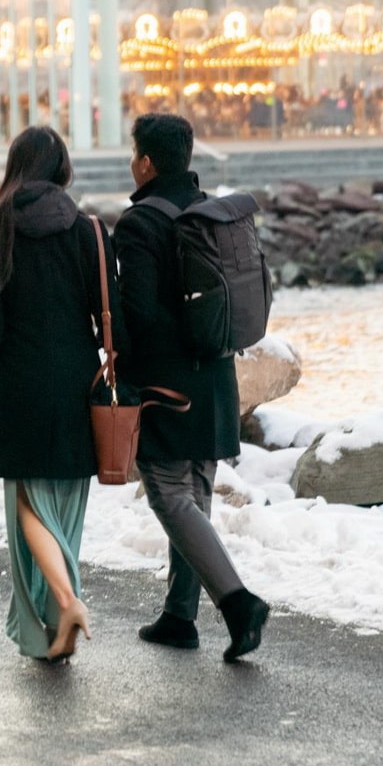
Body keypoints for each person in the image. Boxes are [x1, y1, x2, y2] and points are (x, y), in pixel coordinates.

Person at [0, 126, 124, 661]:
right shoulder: (87, 230)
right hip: (78, 384)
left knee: (28, 502)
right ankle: (57, 620)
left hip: (20, 385)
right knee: (66, 507)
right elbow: (110, 315)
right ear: (61, 170)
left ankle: (65, 602)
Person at [114, 112, 271, 662]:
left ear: (147, 163)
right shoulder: (213, 214)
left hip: (168, 385)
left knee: (168, 493)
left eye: (134, 155)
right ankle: (180, 616)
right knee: (195, 494)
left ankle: (238, 603)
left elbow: (137, 314)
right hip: (218, 372)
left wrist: (127, 382)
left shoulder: (139, 225)